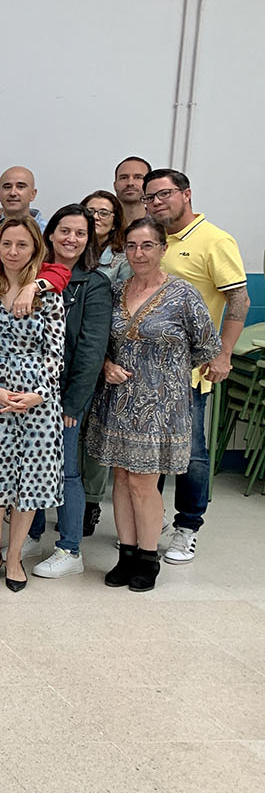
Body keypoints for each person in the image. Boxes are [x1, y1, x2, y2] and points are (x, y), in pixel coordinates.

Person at [86, 217, 220, 592]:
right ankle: (126, 553)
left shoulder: (183, 294)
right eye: (131, 245)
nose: (139, 253)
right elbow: (102, 343)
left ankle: (148, 557)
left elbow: (207, 345)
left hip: (161, 406)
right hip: (117, 401)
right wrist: (107, 366)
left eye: (147, 245)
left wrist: (165, 373)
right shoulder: (115, 290)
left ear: (163, 249)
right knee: (122, 477)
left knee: (145, 483)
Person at [147, 168, 248, 565]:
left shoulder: (215, 240)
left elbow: (238, 301)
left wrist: (223, 354)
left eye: (164, 194)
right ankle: (150, 522)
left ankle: (188, 526)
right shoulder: (154, 239)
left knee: (191, 453)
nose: (156, 202)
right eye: (150, 197)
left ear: (186, 194)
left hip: (188, 372)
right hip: (145, 371)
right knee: (148, 453)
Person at [0, 219, 65, 592]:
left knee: (28, 483)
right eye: (7, 244)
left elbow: (55, 351)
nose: (13, 252)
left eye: (22, 245)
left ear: (35, 249)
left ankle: (15, 555)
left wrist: (39, 392)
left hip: (37, 403)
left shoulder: (48, 294)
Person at [28, 205, 111, 578]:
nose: (71, 239)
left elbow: (92, 350)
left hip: (65, 395)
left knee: (66, 471)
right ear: (50, 234)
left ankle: (70, 548)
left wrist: (74, 402)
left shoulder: (93, 284)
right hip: (29, 389)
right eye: (64, 231)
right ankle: (31, 532)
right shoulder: (32, 275)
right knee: (28, 466)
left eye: (80, 233)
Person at [83, 189, 127, 278]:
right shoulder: (70, 250)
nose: (95, 217)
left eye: (103, 213)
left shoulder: (124, 259)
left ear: (114, 223)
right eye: (90, 212)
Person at [0, 166, 45, 230]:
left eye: (20, 187)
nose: (12, 193)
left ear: (33, 194)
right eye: (7, 187)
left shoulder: (49, 231)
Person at [113, 156, 150, 225]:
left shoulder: (161, 225)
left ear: (149, 184)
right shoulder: (102, 225)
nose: (130, 183)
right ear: (115, 185)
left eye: (138, 177)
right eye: (124, 178)